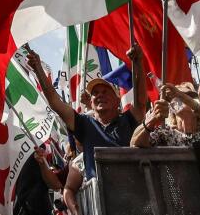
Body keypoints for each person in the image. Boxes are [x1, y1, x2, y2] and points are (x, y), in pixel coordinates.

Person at [29, 46, 146, 179]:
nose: (100, 95)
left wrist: (138, 62)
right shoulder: (84, 124)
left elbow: (141, 100)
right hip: (101, 198)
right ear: (91, 103)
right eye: (95, 93)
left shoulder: (129, 120)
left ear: (117, 100)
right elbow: (55, 102)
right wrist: (38, 68)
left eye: (105, 92)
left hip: (133, 194)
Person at [130, 82, 200, 147]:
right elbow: (135, 144)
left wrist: (183, 97)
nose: (182, 99)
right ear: (171, 105)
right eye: (175, 96)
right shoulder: (164, 133)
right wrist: (153, 119)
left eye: (189, 96)